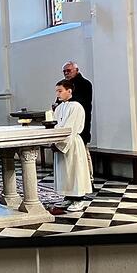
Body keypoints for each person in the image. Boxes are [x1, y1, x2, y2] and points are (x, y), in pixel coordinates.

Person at [52, 79, 93, 212]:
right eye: (56, 91)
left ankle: (79, 199)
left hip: (72, 143)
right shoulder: (59, 107)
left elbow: (71, 127)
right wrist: (54, 141)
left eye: (60, 91)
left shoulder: (76, 106)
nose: (57, 94)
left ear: (69, 91)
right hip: (60, 142)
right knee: (65, 172)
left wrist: (60, 144)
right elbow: (55, 125)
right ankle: (68, 197)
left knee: (75, 171)